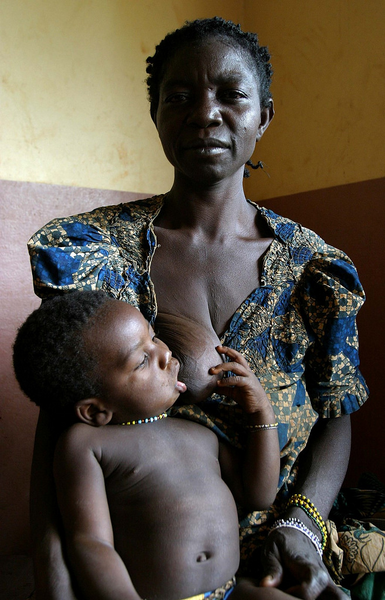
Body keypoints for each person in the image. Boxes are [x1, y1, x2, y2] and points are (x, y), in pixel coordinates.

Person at [27, 17, 369, 600]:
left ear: (265, 115)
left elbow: (337, 410)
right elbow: (66, 420)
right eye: (179, 96)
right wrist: (53, 575)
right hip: (133, 568)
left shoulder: (315, 271)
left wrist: (303, 525)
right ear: (156, 115)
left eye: (232, 94)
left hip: (270, 555)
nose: (204, 113)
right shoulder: (97, 253)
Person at [14, 289, 292, 600]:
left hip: (230, 591)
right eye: (143, 360)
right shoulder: (88, 445)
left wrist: (260, 413)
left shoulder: (199, 431)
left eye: (154, 337)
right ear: (95, 410)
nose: (164, 353)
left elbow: (259, 494)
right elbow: (92, 543)